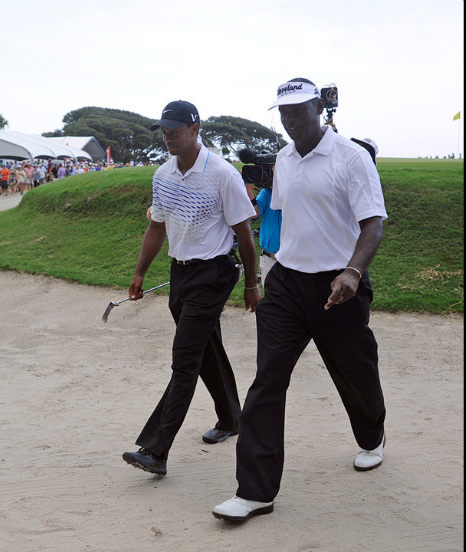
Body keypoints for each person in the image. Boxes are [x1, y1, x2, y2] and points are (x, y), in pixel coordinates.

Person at [212, 78, 388, 522]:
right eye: (283, 113)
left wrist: (353, 270)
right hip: (287, 283)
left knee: (355, 370)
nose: (289, 121)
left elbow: (372, 224)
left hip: (339, 286)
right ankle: (255, 491)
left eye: (296, 112)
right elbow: (288, 215)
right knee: (267, 380)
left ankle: (372, 436)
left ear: (316, 109)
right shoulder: (285, 160)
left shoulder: (351, 157)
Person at [121, 100, 259, 477]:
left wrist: (251, 283)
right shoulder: (163, 175)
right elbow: (157, 227)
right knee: (205, 349)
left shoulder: (222, 175)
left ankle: (156, 449)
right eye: (164, 131)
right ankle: (232, 418)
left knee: (184, 360)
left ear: (195, 130)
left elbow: (244, 236)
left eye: (175, 130)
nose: (167, 137)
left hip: (213, 274)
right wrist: (140, 273)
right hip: (180, 273)